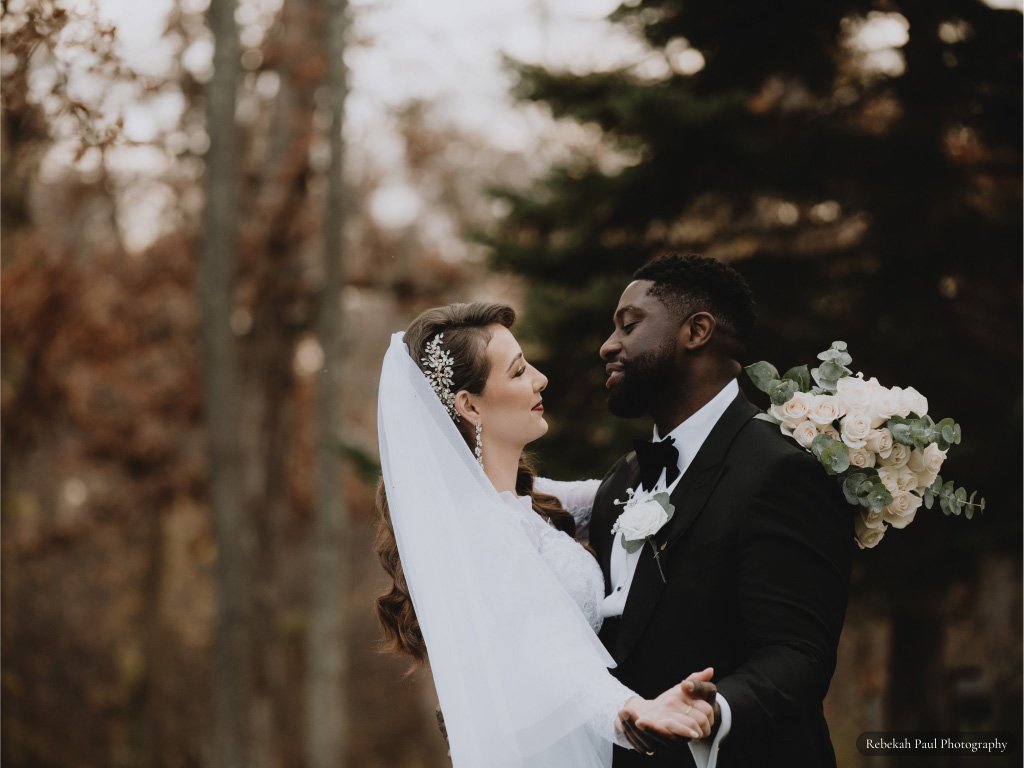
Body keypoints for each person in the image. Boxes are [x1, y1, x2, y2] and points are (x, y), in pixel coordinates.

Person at [374, 302, 718, 768]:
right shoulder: (481, 531)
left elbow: (619, 494)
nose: (540, 379)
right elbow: (551, 648)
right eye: (518, 372)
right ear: (469, 405)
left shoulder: (517, 503)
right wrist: (630, 710)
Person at [585, 253, 854, 767]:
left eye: (629, 324)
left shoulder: (780, 469)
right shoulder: (621, 480)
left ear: (697, 331)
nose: (609, 344)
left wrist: (711, 711)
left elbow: (798, 652)